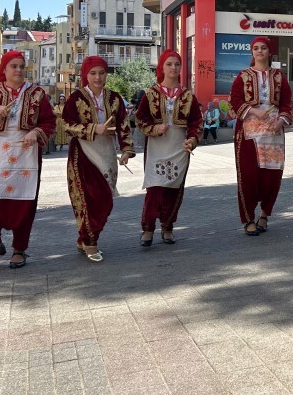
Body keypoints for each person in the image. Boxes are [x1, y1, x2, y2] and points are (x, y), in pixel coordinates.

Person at [0, 51, 56, 269]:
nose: (18, 70)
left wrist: (36, 132)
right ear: (4, 69)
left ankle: (19, 248)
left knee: (23, 203)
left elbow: (50, 122)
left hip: (25, 154)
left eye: (21, 66)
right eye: (13, 66)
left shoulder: (37, 93)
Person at [62, 57, 134, 261]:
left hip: (107, 153)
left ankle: (84, 238)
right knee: (90, 199)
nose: (98, 77)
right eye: (93, 73)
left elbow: (124, 125)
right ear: (86, 75)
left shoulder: (114, 98)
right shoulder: (75, 98)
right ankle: (90, 242)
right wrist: (94, 128)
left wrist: (127, 149)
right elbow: (66, 124)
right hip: (83, 153)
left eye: (101, 73)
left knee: (106, 200)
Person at [135, 50, 201, 246]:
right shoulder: (150, 93)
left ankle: (168, 226)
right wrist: (155, 128)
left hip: (179, 147)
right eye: (169, 64)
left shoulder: (188, 95)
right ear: (162, 67)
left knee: (174, 190)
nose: (174, 68)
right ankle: (148, 228)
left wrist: (192, 140)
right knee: (155, 189)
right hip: (157, 146)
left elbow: (197, 122)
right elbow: (140, 119)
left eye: (177, 64)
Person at [231, 36, 292, 236]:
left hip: (273, 134)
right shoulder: (242, 76)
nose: (259, 51)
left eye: (263, 48)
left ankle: (264, 214)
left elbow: (286, 104)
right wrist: (255, 112)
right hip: (249, 134)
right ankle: (248, 218)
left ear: (269, 51)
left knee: (271, 177)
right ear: (252, 52)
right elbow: (235, 101)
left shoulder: (279, 77)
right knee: (248, 176)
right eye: (255, 48)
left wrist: (280, 122)